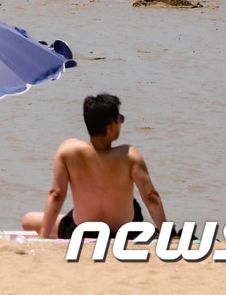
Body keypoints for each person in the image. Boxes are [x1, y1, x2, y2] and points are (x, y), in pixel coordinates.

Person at [21, 94, 167, 240]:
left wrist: (43, 237)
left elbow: (56, 194)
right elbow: (151, 196)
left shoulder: (69, 151)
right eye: (120, 119)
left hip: (83, 232)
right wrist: (168, 234)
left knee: (28, 220)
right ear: (112, 126)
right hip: (126, 232)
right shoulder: (129, 155)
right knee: (133, 205)